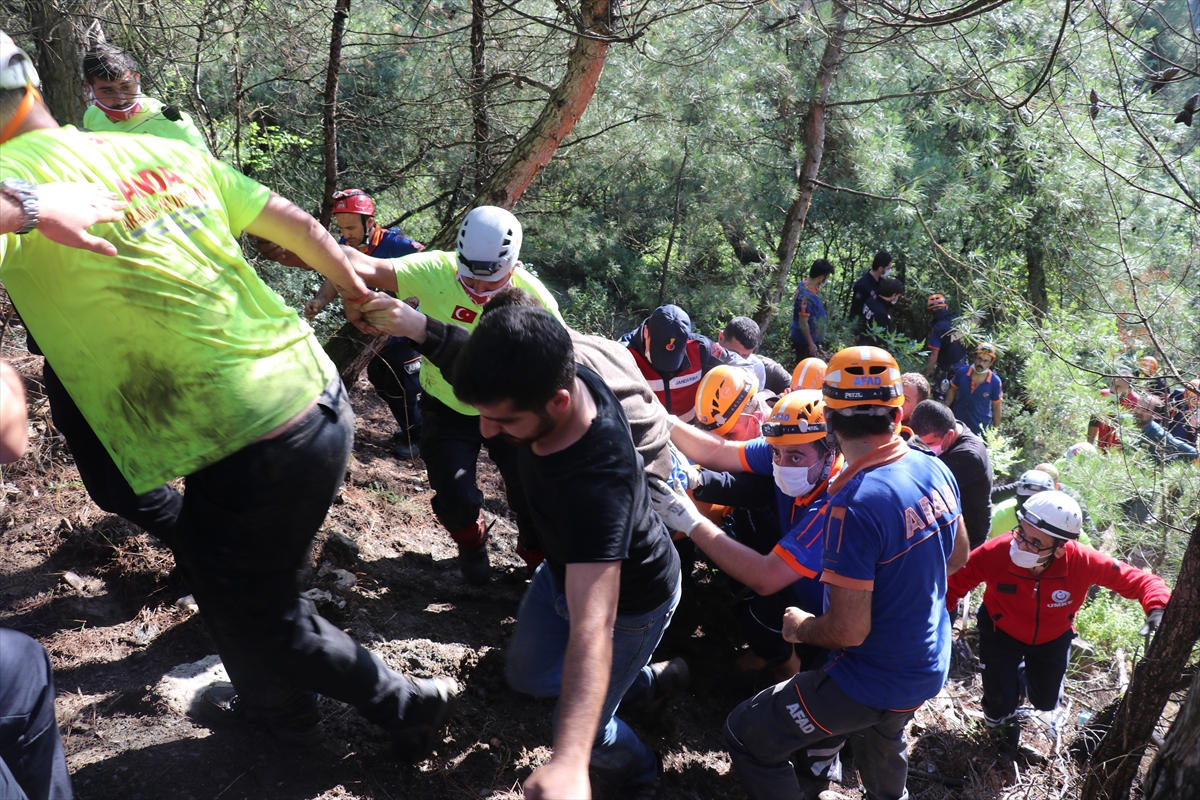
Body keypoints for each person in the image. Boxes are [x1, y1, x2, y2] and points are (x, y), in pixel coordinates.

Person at [0, 32, 457, 757]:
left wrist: (26, 206)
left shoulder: (14, 190)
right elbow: (298, 225)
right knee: (230, 585)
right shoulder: (161, 149)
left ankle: (407, 706)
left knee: (258, 610)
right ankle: (281, 714)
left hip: (255, 434)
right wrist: (350, 286)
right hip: (307, 396)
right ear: (35, 89)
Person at [453, 306, 685, 799]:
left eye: (502, 419)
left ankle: (641, 774)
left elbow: (593, 624)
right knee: (529, 674)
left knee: (589, 728)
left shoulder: (596, 486)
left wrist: (570, 759)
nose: (487, 431)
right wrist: (414, 325)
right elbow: (493, 360)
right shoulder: (560, 369)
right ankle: (644, 682)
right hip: (563, 569)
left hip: (631, 606)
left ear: (558, 402)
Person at [722, 346, 970, 800]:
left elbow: (849, 631)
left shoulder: (852, 505)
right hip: (930, 658)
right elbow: (956, 558)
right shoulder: (935, 468)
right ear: (898, 413)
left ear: (830, 424)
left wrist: (800, 627)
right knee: (883, 733)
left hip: (871, 676)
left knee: (746, 734)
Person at [328, 205, 562, 584]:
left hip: (512, 413)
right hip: (447, 404)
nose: (480, 292)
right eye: (469, 281)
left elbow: (562, 364)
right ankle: (472, 542)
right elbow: (359, 261)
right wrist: (307, 251)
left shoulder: (537, 300)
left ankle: (537, 558)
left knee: (531, 494)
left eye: (492, 284)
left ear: (513, 267)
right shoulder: (435, 269)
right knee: (453, 493)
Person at [657, 391, 855, 787]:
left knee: (820, 715)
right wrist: (655, 416)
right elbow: (721, 451)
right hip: (804, 593)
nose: (783, 464)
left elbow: (766, 576)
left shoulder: (835, 501)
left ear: (830, 450)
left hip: (842, 624)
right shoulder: (791, 447)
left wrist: (691, 520)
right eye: (777, 454)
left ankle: (820, 772)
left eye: (795, 457)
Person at [357, 284, 674, 483]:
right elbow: (657, 414)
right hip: (670, 477)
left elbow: (476, 368)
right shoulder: (610, 348)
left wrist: (418, 327)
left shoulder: (554, 373)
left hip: (636, 498)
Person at [947, 491, 1170, 748]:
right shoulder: (997, 552)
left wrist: (1157, 608)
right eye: (1021, 532)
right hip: (1000, 632)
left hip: (1052, 638)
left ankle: (1022, 675)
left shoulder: (1083, 561)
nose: (1020, 544)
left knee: (1045, 701)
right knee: (999, 702)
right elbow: (953, 585)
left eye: (1035, 542)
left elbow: (1142, 581)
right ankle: (1001, 741)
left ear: (1061, 549)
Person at [303, 189, 426, 458]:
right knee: (380, 383)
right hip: (373, 337)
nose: (346, 233)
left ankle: (419, 436)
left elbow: (433, 265)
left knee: (403, 386)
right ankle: (413, 427)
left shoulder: (398, 245)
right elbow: (336, 273)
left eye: (351, 227)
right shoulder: (346, 244)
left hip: (403, 335)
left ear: (369, 222)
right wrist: (320, 300)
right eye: (341, 227)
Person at [619, 304, 749, 421]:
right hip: (646, 436)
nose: (667, 366)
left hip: (690, 430)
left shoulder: (701, 348)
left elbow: (740, 364)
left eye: (674, 356)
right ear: (646, 332)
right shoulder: (623, 353)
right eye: (659, 353)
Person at [81, 43, 208, 151]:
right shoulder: (92, 115)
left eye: (126, 87)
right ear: (90, 89)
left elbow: (208, 173)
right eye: (108, 91)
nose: (121, 99)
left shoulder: (171, 122)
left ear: (137, 78)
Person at [910, 399, 993, 549]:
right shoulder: (948, 425)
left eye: (929, 444)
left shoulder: (968, 456)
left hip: (969, 539)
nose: (923, 448)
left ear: (949, 435)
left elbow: (921, 483)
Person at [719, 316, 791, 393]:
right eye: (734, 353)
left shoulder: (757, 368)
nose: (738, 361)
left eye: (745, 356)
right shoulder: (706, 355)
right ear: (721, 338)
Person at [945, 342, 1003, 435]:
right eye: (979, 359)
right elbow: (952, 391)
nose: (981, 363)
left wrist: (996, 432)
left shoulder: (995, 381)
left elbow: (997, 406)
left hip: (980, 430)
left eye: (985, 361)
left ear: (991, 362)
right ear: (974, 357)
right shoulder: (962, 372)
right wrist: (945, 411)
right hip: (959, 424)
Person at [988, 468, 1055, 541]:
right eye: (1026, 500)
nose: (1030, 508)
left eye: (1037, 503)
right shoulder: (1000, 514)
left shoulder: (1055, 523)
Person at [1132, 394, 1199, 464]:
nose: (1139, 412)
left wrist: (1169, 464)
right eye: (1138, 407)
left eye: (1145, 410)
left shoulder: (1158, 434)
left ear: (1155, 415)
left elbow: (1192, 452)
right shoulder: (1123, 421)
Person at [922, 294, 968, 394]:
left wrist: (924, 376)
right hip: (964, 368)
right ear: (946, 307)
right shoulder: (959, 319)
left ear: (931, 312)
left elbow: (934, 357)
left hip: (948, 372)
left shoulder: (936, 329)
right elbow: (974, 321)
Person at [791, 258, 834, 360]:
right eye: (826, 278)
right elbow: (803, 323)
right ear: (820, 277)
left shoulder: (807, 284)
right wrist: (811, 344)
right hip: (804, 342)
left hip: (812, 338)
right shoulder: (805, 296)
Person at [848, 250, 892, 340]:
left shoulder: (882, 283)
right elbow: (855, 310)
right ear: (880, 269)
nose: (890, 271)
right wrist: (856, 333)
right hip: (865, 332)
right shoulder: (862, 285)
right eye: (888, 268)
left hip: (878, 329)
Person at [855, 276, 904, 347]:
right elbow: (881, 341)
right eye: (898, 296)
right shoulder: (881, 314)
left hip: (862, 345)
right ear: (894, 295)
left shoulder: (871, 300)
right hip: (872, 352)